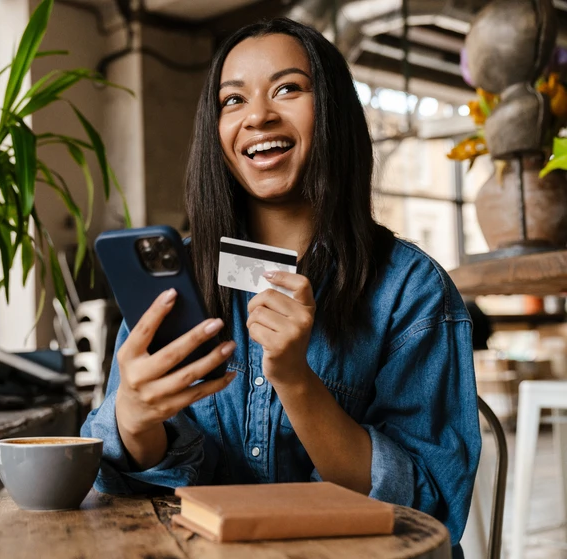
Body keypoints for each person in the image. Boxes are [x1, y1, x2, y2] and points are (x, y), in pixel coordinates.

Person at [80, 18, 480, 549]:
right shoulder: (179, 284)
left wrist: (296, 380)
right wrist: (132, 420)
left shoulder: (409, 290)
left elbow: (427, 506)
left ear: (333, 110)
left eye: (287, 88)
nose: (258, 116)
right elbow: (119, 494)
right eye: (232, 100)